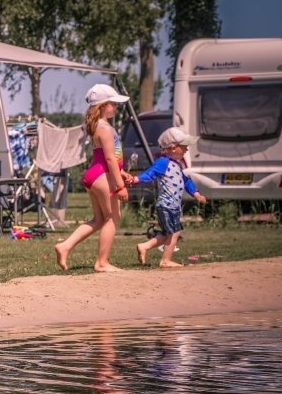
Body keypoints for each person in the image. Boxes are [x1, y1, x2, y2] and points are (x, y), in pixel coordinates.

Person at [54, 84, 132, 272]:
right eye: (112, 103)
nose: (115, 107)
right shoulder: (105, 128)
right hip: (102, 177)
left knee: (98, 219)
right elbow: (109, 159)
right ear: (103, 105)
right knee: (112, 218)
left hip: (95, 175)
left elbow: (105, 158)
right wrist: (120, 185)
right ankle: (102, 263)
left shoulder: (97, 126)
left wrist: (121, 172)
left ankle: (64, 246)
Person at [130, 127, 207, 267]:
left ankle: (144, 246)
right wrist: (136, 179)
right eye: (184, 147)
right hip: (166, 204)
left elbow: (186, 181)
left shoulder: (176, 164)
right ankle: (165, 261)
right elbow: (151, 173)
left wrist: (196, 194)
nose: (187, 150)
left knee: (168, 234)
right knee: (175, 233)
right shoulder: (163, 162)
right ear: (172, 147)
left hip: (173, 206)